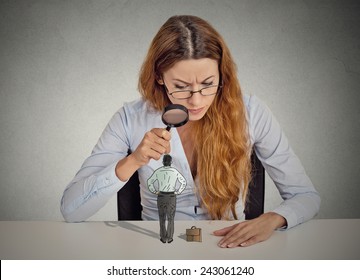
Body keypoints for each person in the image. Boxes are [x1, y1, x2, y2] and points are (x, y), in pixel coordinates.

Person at [60, 15, 321, 248]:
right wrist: (132, 161)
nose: (196, 102)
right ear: (160, 76)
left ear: (222, 74)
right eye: (182, 86)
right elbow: (72, 210)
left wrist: (273, 219)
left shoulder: (251, 112)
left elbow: (305, 196)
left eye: (208, 84)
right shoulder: (130, 119)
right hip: (157, 248)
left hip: (228, 249)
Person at [147, 154, 187, 243]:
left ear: (163, 162)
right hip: (171, 196)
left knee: (162, 218)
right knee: (171, 218)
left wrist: (154, 191)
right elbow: (183, 182)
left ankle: (163, 237)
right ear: (171, 162)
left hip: (161, 196)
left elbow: (150, 181)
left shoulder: (158, 171)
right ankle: (169, 237)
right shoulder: (174, 171)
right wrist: (178, 191)